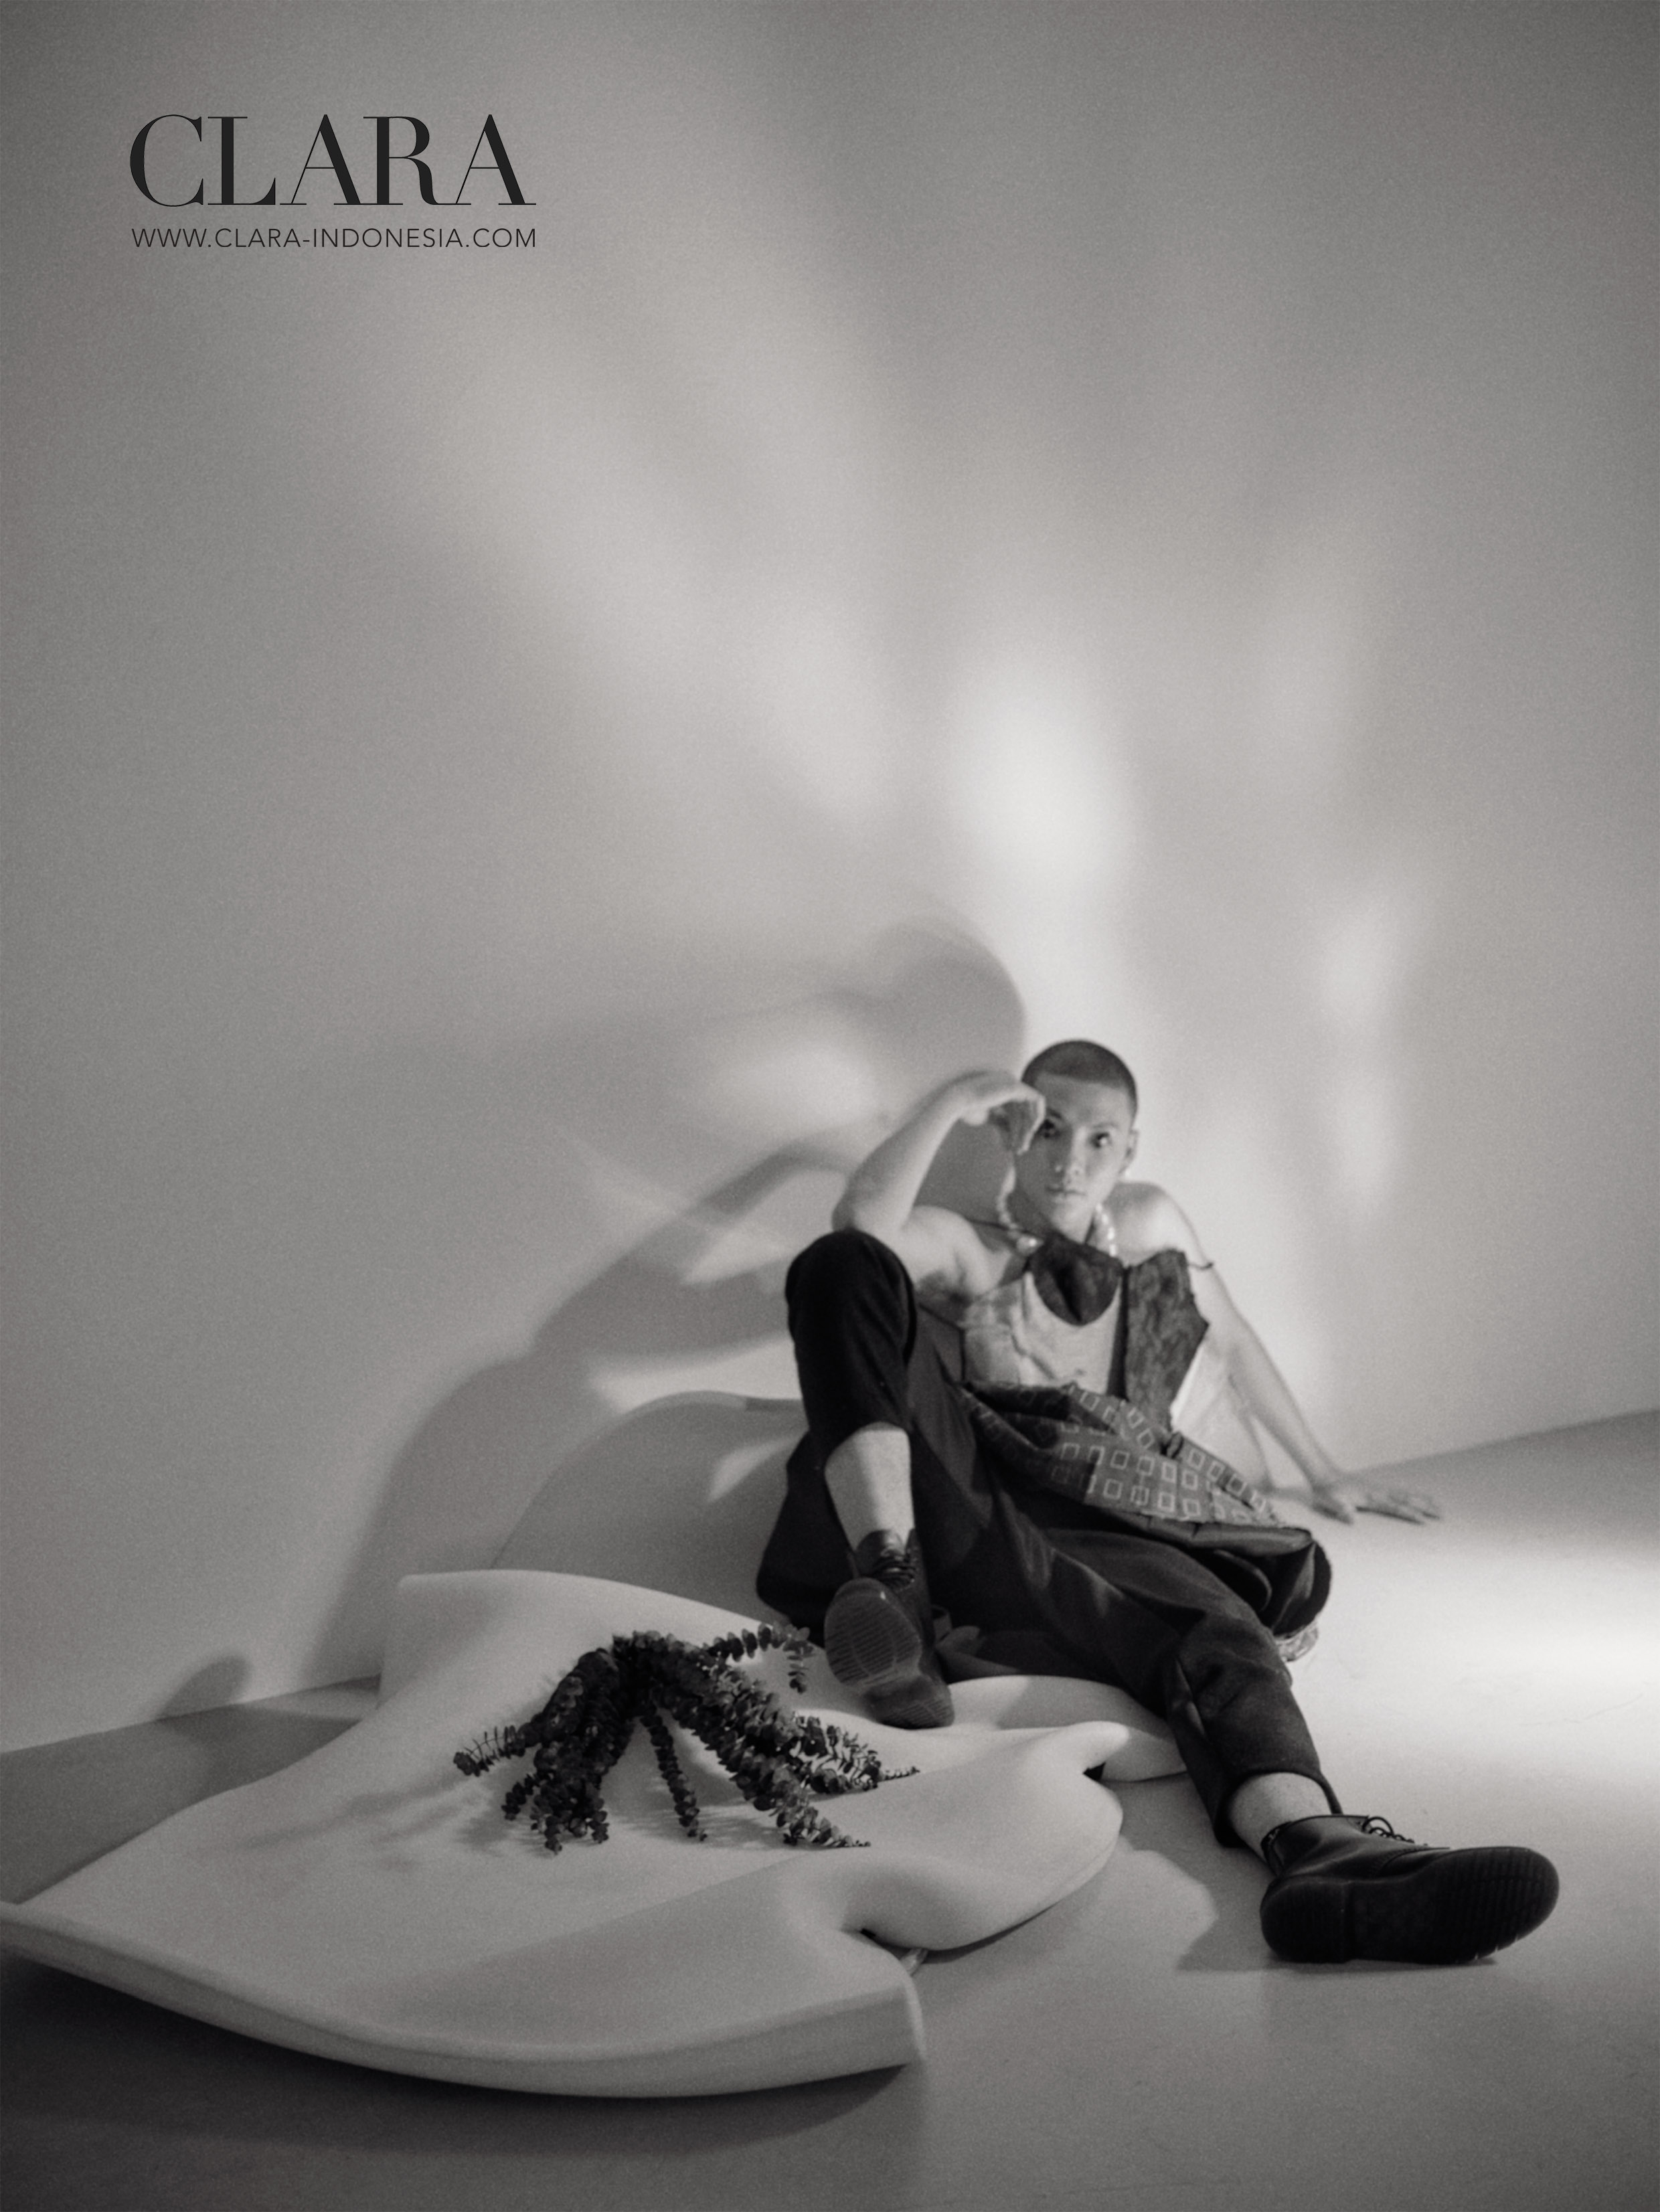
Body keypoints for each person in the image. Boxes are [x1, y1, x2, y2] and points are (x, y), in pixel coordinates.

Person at [756, 1040, 1559, 1966]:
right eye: (1049, 1130)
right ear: (1015, 1133)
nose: (1071, 1160)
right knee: (842, 1264)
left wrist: (1324, 1469)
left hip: (1104, 1518)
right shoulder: (972, 1244)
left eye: (1099, 1139)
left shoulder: (1149, 1222)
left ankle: (1319, 1851)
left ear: (1130, 1150)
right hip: (970, 1498)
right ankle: (891, 1587)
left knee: (1215, 1628)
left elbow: (1235, 1336)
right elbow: (856, 1230)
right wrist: (952, 1099)